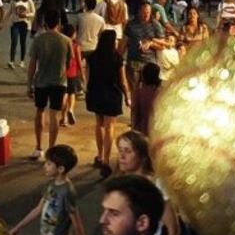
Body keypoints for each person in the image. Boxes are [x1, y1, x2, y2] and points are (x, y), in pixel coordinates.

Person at [9, 145, 94, 235]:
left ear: (60, 169)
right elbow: (38, 208)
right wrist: (17, 228)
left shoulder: (67, 192)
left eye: (49, 164)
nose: (45, 166)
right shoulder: (52, 185)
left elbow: (76, 221)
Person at [27, 9, 71, 161]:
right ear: (58, 23)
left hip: (41, 82)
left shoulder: (38, 40)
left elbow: (32, 64)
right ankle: (51, 150)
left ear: (45, 24)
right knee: (54, 114)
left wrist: (29, 84)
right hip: (59, 82)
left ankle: (39, 148)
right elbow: (69, 62)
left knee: (40, 112)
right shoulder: (66, 41)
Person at [85, 31, 129, 176]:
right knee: (110, 127)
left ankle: (99, 154)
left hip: (96, 93)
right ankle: (106, 160)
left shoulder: (92, 57)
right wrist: (127, 95)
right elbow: (122, 80)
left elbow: (88, 78)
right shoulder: (117, 58)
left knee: (99, 124)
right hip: (112, 94)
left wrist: (88, 90)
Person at [123, 3, 166, 89]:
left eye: (148, 12)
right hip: (134, 61)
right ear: (139, 12)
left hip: (149, 62)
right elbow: (124, 41)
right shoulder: (131, 24)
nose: (146, 15)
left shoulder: (155, 24)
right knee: (134, 89)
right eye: (144, 12)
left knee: (149, 89)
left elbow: (163, 44)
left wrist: (151, 43)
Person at [59, 25, 83, 128]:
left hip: (62, 73)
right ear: (73, 34)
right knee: (72, 93)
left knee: (64, 94)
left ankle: (63, 117)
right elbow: (78, 60)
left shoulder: (61, 44)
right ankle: (71, 109)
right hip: (72, 72)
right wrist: (81, 73)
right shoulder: (76, 46)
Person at [8, 0, 36, 69]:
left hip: (24, 24)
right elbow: (10, 12)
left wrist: (26, 15)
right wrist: (3, 22)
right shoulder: (14, 1)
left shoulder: (29, 1)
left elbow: (33, 12)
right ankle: (11, 61)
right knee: (14, 41)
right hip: (15, 24)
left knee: (22, 42)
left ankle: (22, 60)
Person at [131, 63, 162, 133]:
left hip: (143, 131)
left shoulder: (139, 93)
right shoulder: (161, 92)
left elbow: (135, 114)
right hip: (158, 131)